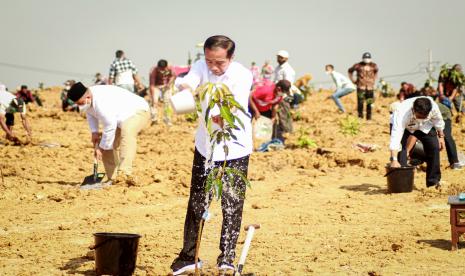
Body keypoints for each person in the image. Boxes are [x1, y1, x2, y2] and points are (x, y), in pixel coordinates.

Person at [170, 35, 253, 275]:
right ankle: (188, 257)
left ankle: (226, 258)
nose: (213, 67)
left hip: (233, 147)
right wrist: (186, 89)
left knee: (231, 202)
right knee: (197, 201)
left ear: (231, 58)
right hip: (205, 146)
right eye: (209, 62)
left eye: (219, 63)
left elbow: (226, 114)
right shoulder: (201, 66)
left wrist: (211, 104)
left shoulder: (242, 75)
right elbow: (187, 82)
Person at [67, 82, 150, 186]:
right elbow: (90, 114)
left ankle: (124, 174)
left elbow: (110, 127)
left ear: (87, 97)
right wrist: (94, 132)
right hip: (118, 118)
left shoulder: (101, 101)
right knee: (106, 142)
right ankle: (113, 177)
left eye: (80, 103)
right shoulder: (89, 99)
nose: (80, 106)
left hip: (137, 111)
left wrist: (100, 149)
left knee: (127, 132)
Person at [389, 97, 445, 189]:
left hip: (424, 127)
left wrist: (441, 137)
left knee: (434, 147)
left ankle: (433, 181)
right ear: (413, 110)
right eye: (419, 116)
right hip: (406, 127)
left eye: (425, 116)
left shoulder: (433, 107)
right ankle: (402, 183)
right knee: (401, 152)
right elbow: (396, 138)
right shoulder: (401, 113)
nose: (421, 118)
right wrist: (394, 160)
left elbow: (438, 121)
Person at [422, 87, 463, 170]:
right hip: (432, 118)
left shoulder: (433, 104)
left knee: (447, 136)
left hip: (444, 117)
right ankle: (419, 161)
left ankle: (455, 162)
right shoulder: (421, 104)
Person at [348, 52, 379, 120]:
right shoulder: (358, 65)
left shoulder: (374, 65)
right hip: (360, 87)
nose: (367, 59)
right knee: (360, 102)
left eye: (368, 58)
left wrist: (373, 80)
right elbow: (350, 71)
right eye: (365, 58)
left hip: (370, 88)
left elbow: (376, 72)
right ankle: (360, 117)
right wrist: (353, 80)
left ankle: (369, 118)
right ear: (362, 58)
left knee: (369, 103)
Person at [148, 59, 176, 125]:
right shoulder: (153, 71)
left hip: (166, 87)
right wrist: (153, 97)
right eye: (160, 69)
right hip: (156, 87)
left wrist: (169, 83)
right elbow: (152, 85)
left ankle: (167, 119)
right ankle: (154, 119)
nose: (162, 71)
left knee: (168, 103)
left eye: (163, 69)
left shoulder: (170, 68)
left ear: (166, 67)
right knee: (154, 103)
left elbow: (173, 76)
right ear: (158, 67)